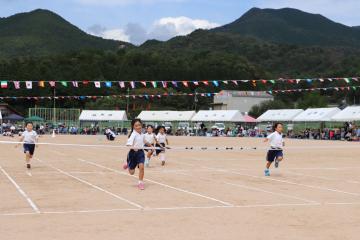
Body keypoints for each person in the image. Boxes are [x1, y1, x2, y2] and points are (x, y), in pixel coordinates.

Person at [124, 119, 146, 190]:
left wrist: (151, 146)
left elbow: (144, 141)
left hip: (140, 153)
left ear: (141, 125)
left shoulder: (142, 134)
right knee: (132, 172)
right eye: (136, 126)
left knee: (142, 167)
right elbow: (128, 144)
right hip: (133, 154)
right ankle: (128, 163)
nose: (138, 127)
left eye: (139, 125)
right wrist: (132, 147)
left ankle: (140, 183)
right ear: (133, 127)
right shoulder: (133, 135)